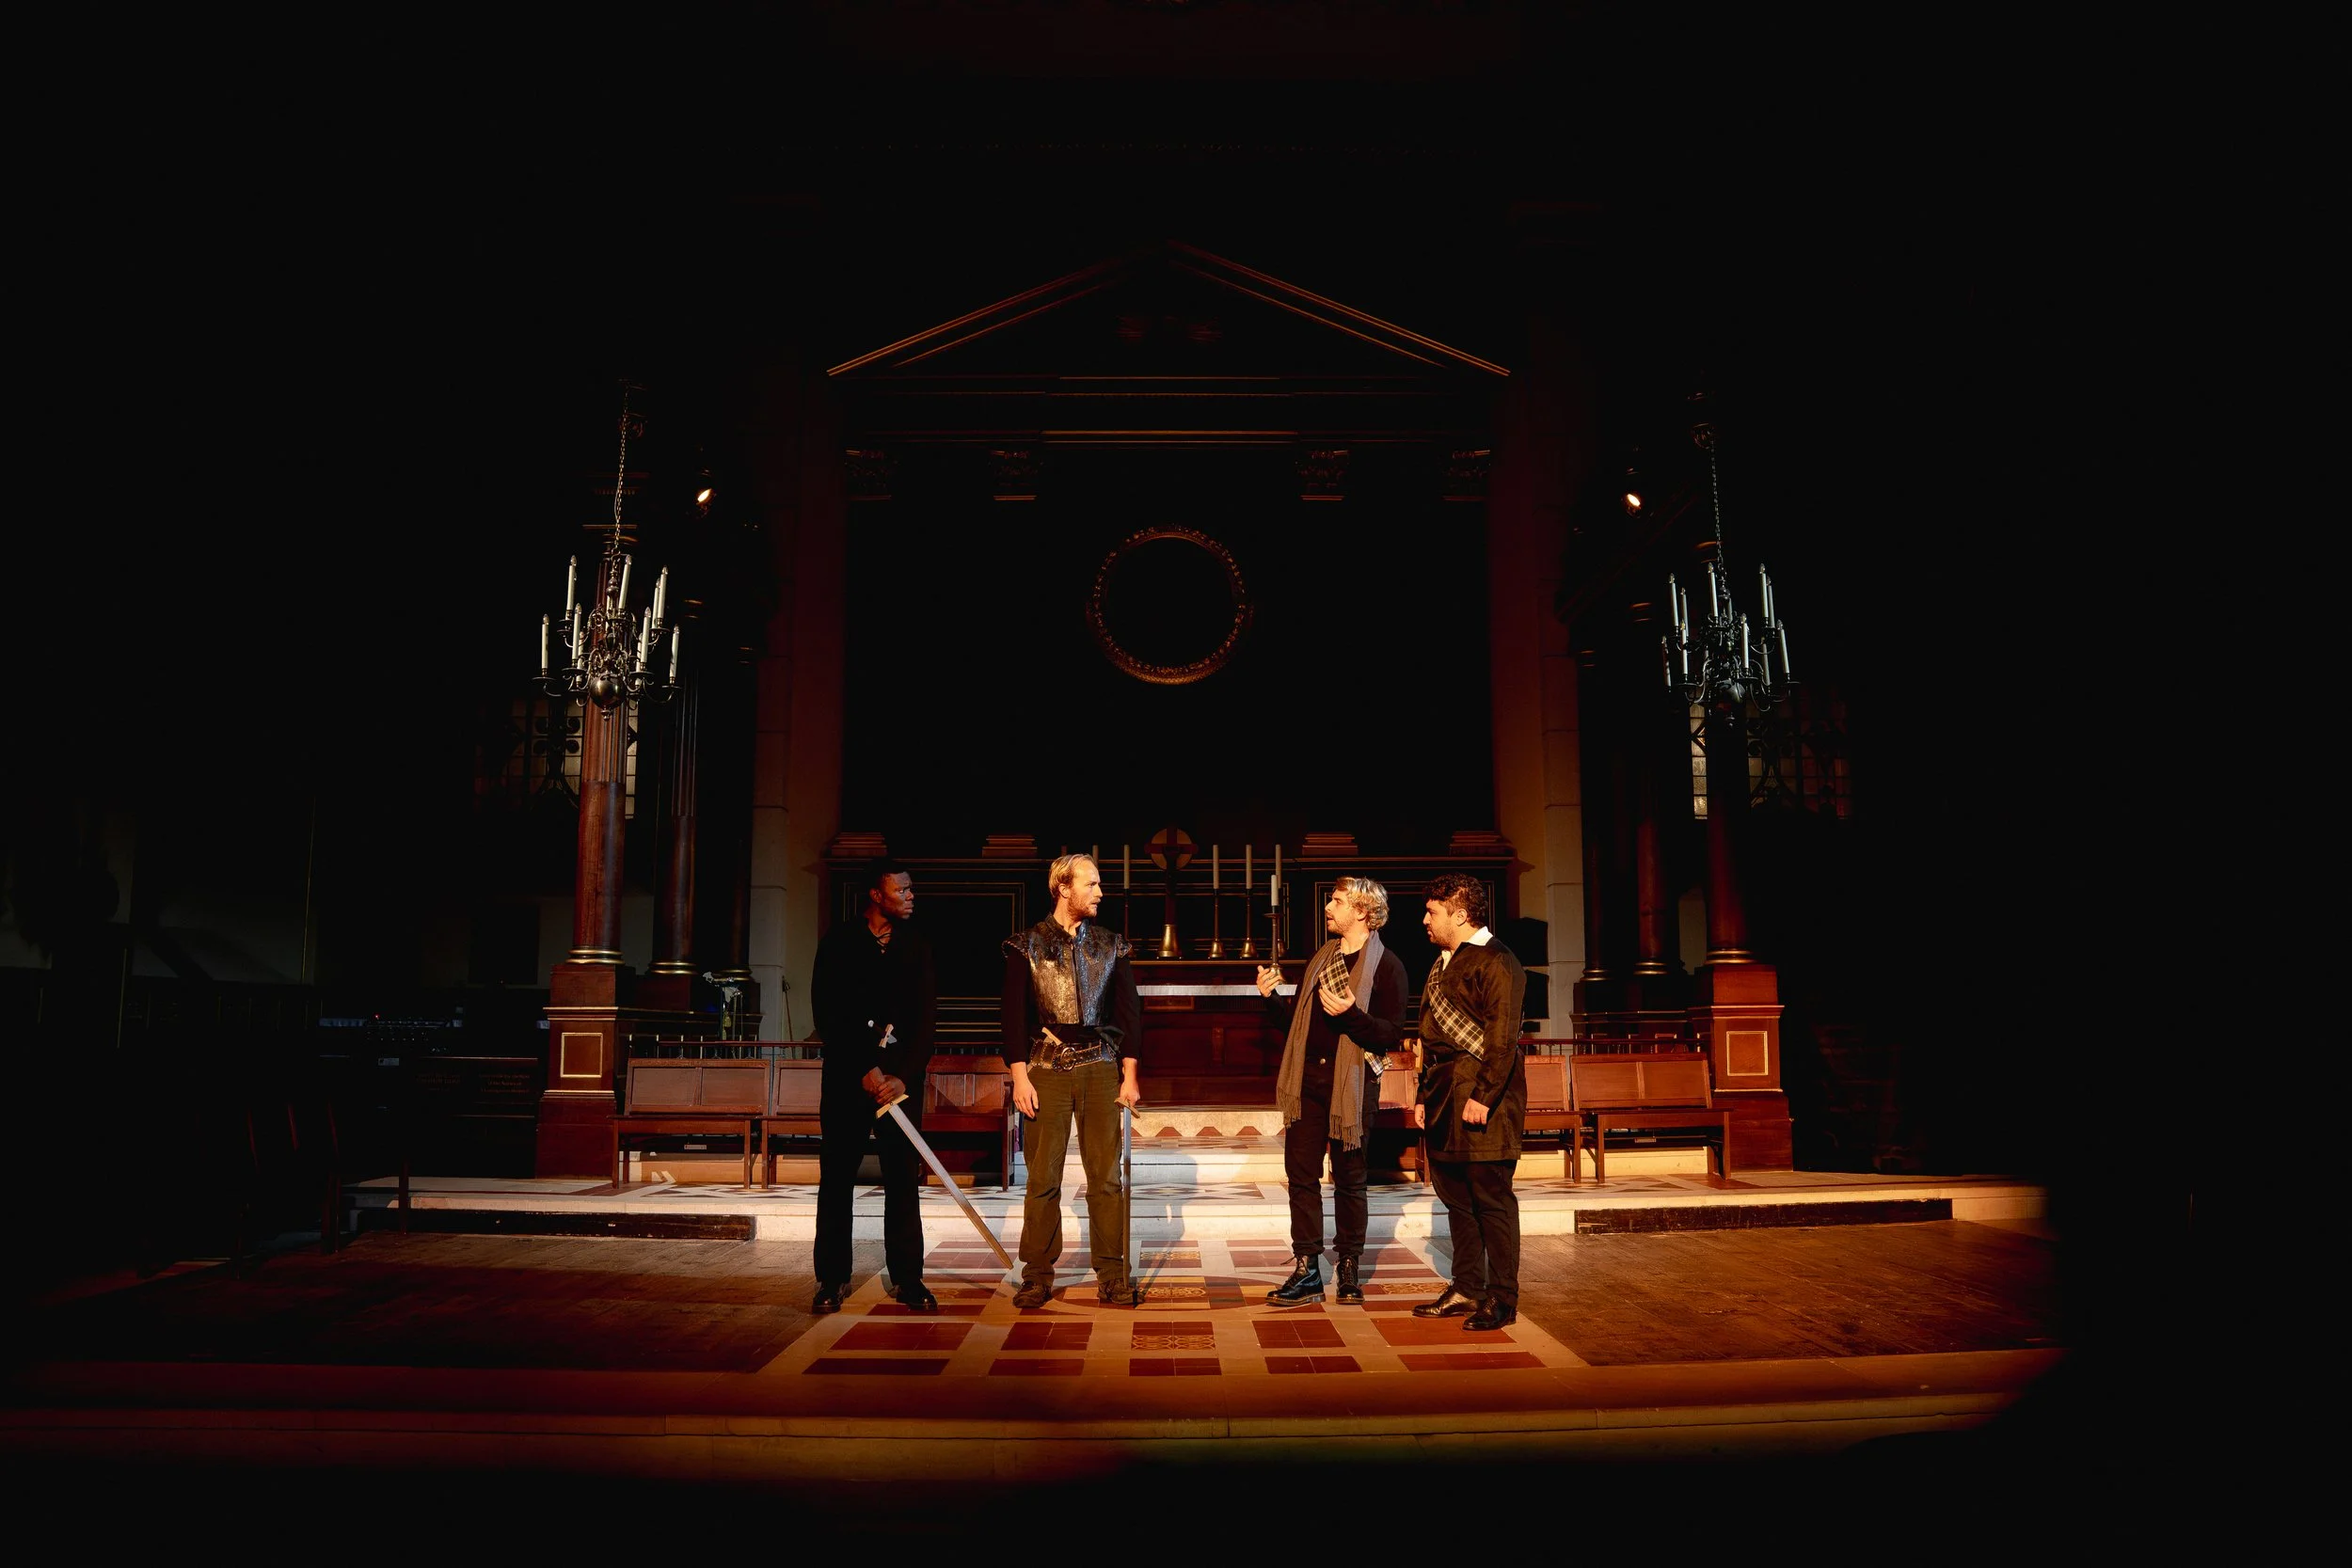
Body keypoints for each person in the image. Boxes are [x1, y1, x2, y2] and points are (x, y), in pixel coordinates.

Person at [1255, 876, 1406, 1307]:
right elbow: (1297, 1029)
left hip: (1353, 1088)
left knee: (1349, 1180)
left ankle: (1349, 1266)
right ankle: (1306, 1267)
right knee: (1301, 1177)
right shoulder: (1320, 960)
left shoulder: (1388, 966)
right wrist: (1272, 1000)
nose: (1328, 908)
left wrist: (1353, 1015)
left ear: (1362, 911)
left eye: (1337, 902)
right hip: (1308, 1084)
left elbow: (1389, 1034)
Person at [1003, 852, 1144, 1308]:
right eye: (1092, 885)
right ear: (1064, 888)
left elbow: (1129, 1013)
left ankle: (1112, 1273)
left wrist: (1129, 1074)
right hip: (1045, 1069)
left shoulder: (1110, 944)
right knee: (1043, 1177)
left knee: (1105, 1177)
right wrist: (1019, 1077)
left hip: (1101, 1067)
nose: (1100, 892)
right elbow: (1012, 1016)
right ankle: (1038, 1275)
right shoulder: (1026, 944)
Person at [809, 859, 939, 1314]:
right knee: (837, 1177)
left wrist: (902, 1074)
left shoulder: (917, 946)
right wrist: (864, 1066)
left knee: (903, 1179)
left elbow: (926, 1021)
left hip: (900, 1082)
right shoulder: (840, 942)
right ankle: (831, 1278)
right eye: (901, 890)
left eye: (911, 889)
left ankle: (908, 1278)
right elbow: (828, 1013)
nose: (910, 896)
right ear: (876, 896)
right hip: (848, 1079)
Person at [1409, 870, 1528, 1332]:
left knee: (1491, 1201)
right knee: (1456, 1198)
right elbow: (1431, 1037)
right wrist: (1424, 1092)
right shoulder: (1443, 960)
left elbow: (1501, 1040)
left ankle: (1502, 1298)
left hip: (1483, 1101)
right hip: (1442, 1098)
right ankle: (1466, 1286)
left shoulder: (1498, 962)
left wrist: (1483, 1096)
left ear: (1459, 914)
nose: (1425, 920)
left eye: (1433, 912)